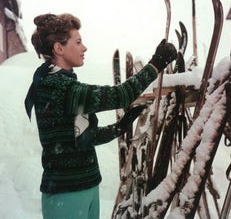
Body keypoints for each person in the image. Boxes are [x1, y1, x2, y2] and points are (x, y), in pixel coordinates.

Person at [24, 13, 177, 219]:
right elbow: (120, 95)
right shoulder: (57, 87)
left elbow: (87, 137)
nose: (84, 47)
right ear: (58, 48)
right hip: (66, 193)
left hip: (85, 186)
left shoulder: (61, 83)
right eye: (77, 42)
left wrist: (120, 126)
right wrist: (156, 64)